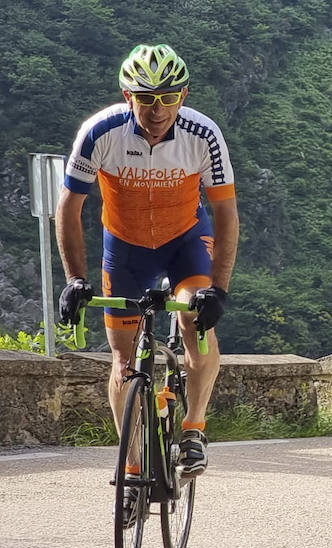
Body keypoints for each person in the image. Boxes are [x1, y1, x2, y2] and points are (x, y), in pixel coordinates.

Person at [55, 43, 238, 513]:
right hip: (126, 249)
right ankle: (133, 468)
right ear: (127, 94)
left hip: (185, 242)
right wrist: (74, 279)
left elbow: (225, 213)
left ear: (183, 95)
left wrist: (218, 289)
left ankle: (194, 429)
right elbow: (69, 208)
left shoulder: (203, 133)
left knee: (198, 321)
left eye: (168, 97)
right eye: (146, 97)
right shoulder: (100, 132)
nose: (158, 109)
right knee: (122, 362)